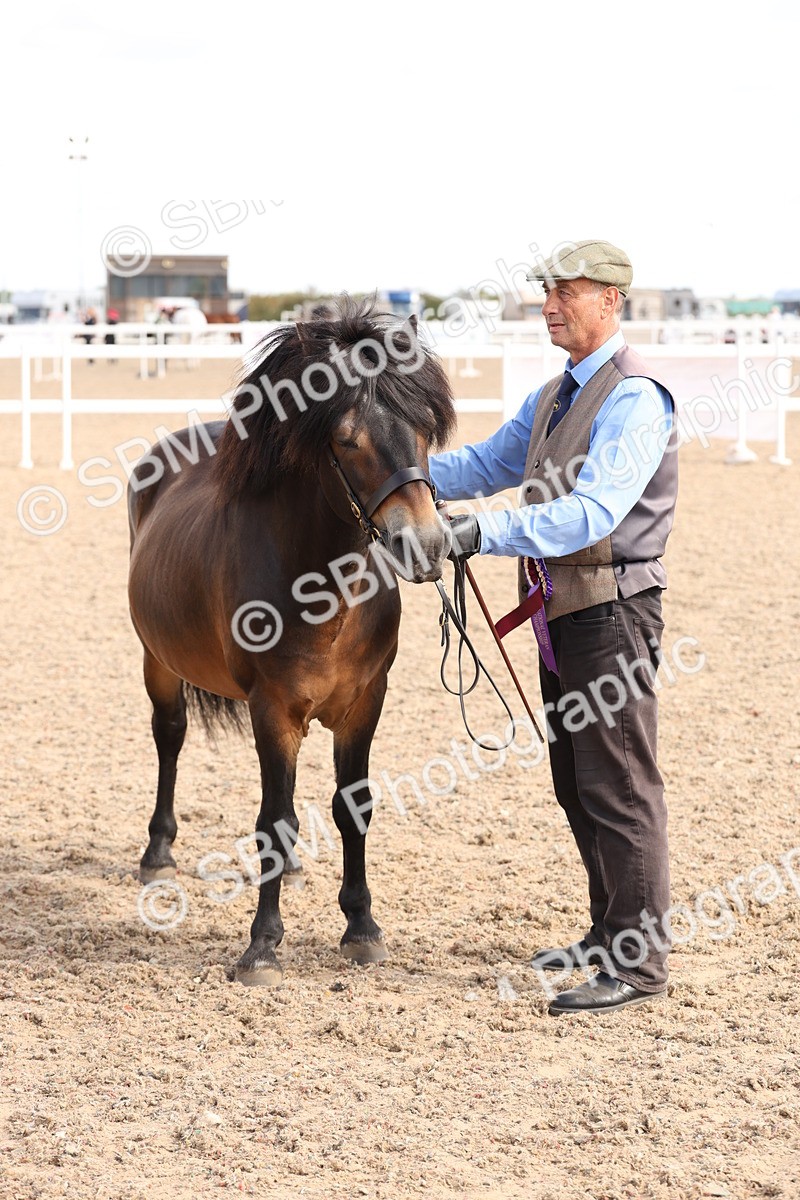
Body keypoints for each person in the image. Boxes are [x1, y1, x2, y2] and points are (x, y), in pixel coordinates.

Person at [429, 240, 677, 1015]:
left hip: (612, 614)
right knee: (578, 782)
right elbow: (478, 466)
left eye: (567, 293)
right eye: (546, 293)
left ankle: (637, 968)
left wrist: (477, 534)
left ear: (612, 300)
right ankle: (610, 936)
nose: (548, 306)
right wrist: (387, 473)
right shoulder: (553, 399)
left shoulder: (635, 398)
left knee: (621, 787)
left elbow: (593, 513)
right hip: (565, 617)